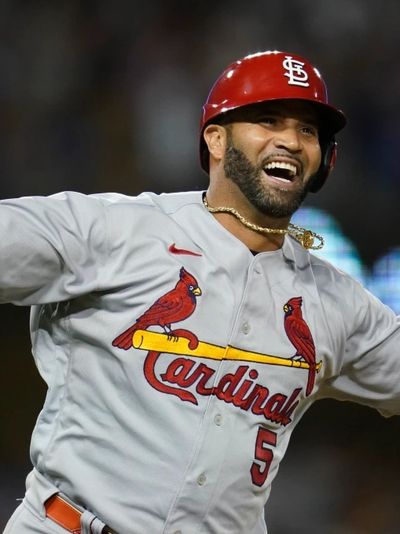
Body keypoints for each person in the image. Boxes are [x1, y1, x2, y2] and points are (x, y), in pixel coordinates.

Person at [2, 50, 400, 534]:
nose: (291, 141)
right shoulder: (114, 232)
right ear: (216, 139)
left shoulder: (337, 304)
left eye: (308, 130)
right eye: (268, 119)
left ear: (325, 160)